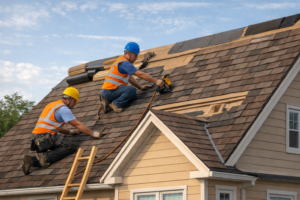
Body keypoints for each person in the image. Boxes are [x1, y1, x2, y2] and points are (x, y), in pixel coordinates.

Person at [22, 87, 104, 175]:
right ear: (69, 99)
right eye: (74, 101)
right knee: (70, 146)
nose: (75, 104)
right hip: (45, 138)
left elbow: (54, 127)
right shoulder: (63, 108)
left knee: (60, 145)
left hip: (37, 140)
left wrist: (70, 132)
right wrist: (93, 133)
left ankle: (32, 160)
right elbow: (77, 124)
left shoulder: (52, 105)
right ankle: (38, 159)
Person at [99, 42, 164, 113]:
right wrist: (156, 81)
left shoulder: (120, 60)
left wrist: (140, 87)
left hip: (109, 91)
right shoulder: (125, 63)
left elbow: (130, 78)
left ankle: (108, 101)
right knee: (131, 91)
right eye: (135, 56)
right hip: (110, 91)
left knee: (134, 95)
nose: (136, 58)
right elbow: (140, 74)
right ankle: (115, 104)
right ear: (129, 54)